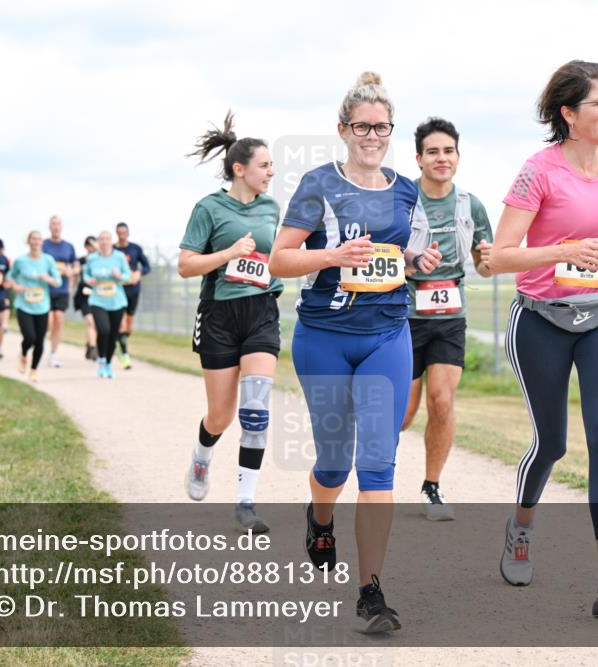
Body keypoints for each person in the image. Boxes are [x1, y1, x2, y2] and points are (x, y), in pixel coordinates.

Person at [268, 72, 441, 634]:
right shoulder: (319, 184)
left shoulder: (406, 189)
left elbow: (408, 252)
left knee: (377, 463)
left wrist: (420, 262)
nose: (372, 135)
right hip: (322, 337)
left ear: (391, 131)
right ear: (342, 129)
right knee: (335, 461)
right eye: (362, 127)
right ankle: (320, 520)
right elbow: (280, 260)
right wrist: (332, 256)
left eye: (382, 127)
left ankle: (371, 591)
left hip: (388, 334)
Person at [487, 60, 598, 617]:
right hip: (540, 320)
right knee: (552, 444)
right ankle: (521, 528)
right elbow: (498, 257)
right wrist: (563, 250)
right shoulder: (540, 171)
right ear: (568, 113)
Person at [179, 111, 282, 534]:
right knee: (220, 416)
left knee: (255, 411)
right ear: (240, 169)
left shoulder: (273, 208)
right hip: (219, 315)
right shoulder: (209, 208)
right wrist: (228, 255)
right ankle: (202, 458)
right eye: (264, 165)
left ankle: (246, 501)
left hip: (261, 312)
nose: (271, 172)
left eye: (273, 165)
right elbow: (186, 265)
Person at [400, 118, 493, 521]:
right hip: (403, 314)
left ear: (458, 156)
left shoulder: (470, 205)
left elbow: (484, 263)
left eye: (448, 151)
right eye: (433, 151)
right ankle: (372, 477)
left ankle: (431, 486)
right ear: (419, 158)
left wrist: (489, 259)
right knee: (401, 416)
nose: (442, 158)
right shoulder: (402, 200)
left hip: (450, 315)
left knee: (442, 399)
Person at [6, 231, 61, 382]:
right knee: (29, 337)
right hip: (24, 305)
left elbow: (58, 281)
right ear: (29, 241)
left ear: (42, 242)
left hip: (42, 306)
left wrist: (48, 278)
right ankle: (23, 354)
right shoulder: (20, 260)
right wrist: (15, 286)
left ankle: (34, 370)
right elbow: (10, 277)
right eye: (33, 239)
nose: (36, 242)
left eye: (39, 239)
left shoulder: (48, 260)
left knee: (40, 340)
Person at [82, 230, 131, 379]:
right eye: (101, 239)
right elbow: (86, 275)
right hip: (97, 300)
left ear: (111, 241)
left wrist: (119, 276)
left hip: (117, 301)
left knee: (113, 334)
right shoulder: (92, 259)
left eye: (107, 239)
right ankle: (101, 360)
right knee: (103, 330)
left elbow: (127, 276)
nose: (104, 241)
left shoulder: (119, 257)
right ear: (98, 242)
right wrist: (89, 280)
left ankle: (108, 363)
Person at [42, 215, 79, 368]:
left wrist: (71, 273)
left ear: (61, 227)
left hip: (62, 290)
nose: (56, 227)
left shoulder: (68, 247)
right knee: (48, 323)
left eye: (58, 224)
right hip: (45, 290)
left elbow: (76, 267)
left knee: (58, 322)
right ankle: (39, 346)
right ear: (49, 227)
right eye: (53, 224)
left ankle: (53, 354)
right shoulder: (44, 245)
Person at [114, 222, 151, 369]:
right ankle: (125, 354)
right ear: (117, 234)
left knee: (128, 325)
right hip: (118, 290)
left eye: (124, 233)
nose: (122, 235)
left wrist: (139, 273)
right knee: (121, 322)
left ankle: (121, 341)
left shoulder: (135, 249)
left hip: (133, 290)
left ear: (127, 233)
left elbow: (147, 266)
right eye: (119, 233)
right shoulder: (113, 250)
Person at [73, 235, 99, 360]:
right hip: (84, 296)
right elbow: (75, 275)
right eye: (89, 246)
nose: (91, 248)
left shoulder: (100, 261)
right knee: (91, 322)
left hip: (99, 294)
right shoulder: (81, 261)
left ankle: (90, 344)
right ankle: (94, 348)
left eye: (93, 245)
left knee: (96, 323)